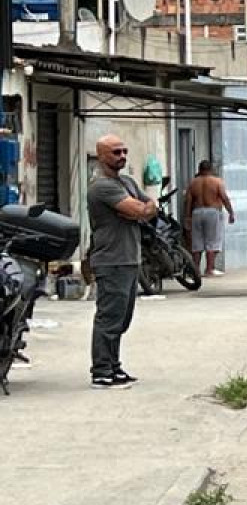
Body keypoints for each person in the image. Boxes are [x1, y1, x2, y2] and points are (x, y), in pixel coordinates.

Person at [86, 135, 155, 390]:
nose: (122, 156)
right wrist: (138, 209)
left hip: (129, 258)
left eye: (124, 151)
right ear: (102, 155)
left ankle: (114, 367)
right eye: (116, 152)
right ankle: (101, 371)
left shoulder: (125, 182)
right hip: (111, 260)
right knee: (109, 318)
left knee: (122, 319)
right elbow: (140, 210)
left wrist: (141, 208)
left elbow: (148, 206)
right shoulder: (102, 186)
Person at [185, 160, 235, 278]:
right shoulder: (217, 181)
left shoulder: (193, 183)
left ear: (199, 169)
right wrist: (231, 212)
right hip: (212, 212)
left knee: (197, 244)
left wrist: (187, 217)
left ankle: (196, 270)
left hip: (197, 212)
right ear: (210, 169)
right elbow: (224, 197)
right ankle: (209, 269)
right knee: (211, 242)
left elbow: (188, 201)